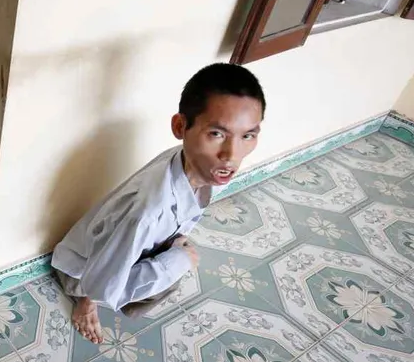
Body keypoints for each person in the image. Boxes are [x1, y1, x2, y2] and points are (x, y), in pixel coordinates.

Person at [52, 63, 265, 343]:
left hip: (119, 244)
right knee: (175, 268)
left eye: (247, 135)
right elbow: (101, 284)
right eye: (217, 134)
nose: (231, 155)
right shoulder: (148, 212)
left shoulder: (193, 161)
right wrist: (176, 261)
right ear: (180, 127)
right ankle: (84, 305)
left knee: (174, 256)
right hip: (82, 274)